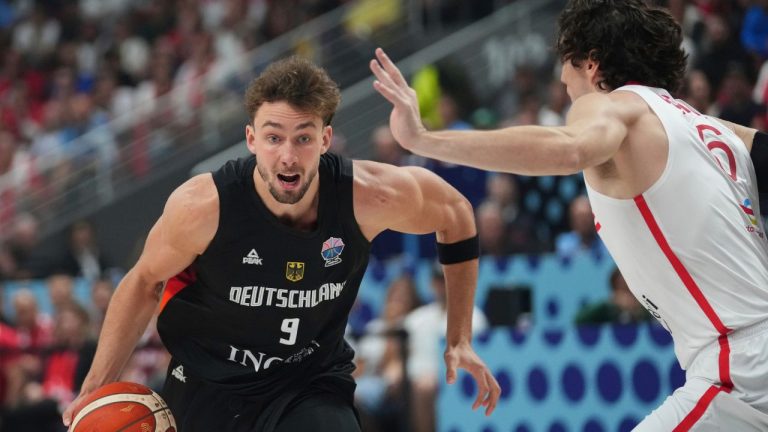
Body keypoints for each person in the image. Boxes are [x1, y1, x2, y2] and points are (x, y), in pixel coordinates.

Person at [370, 0, 768, 429]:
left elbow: (569, 148)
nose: (561, 79)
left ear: (592, 65)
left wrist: (424, 140)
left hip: (740, 367)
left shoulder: (614, 105)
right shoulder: (712, 129)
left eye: (566, 64)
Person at [62, 56, 500, 432]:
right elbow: (143, 282)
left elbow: (456, 213)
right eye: (273, 137)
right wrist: (94, 386)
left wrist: (458, 336)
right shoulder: (203, 206)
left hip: (308, 382)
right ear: (252, 139)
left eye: (303, 138)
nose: (288, 156)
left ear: (325, 140)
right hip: (206, 382)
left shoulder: (367, 195)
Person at [574, 268, 650, 325]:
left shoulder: (646, 308)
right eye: (620, 286)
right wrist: (609, 302)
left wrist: (639, 308)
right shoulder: (607, 309)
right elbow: (578, 320)